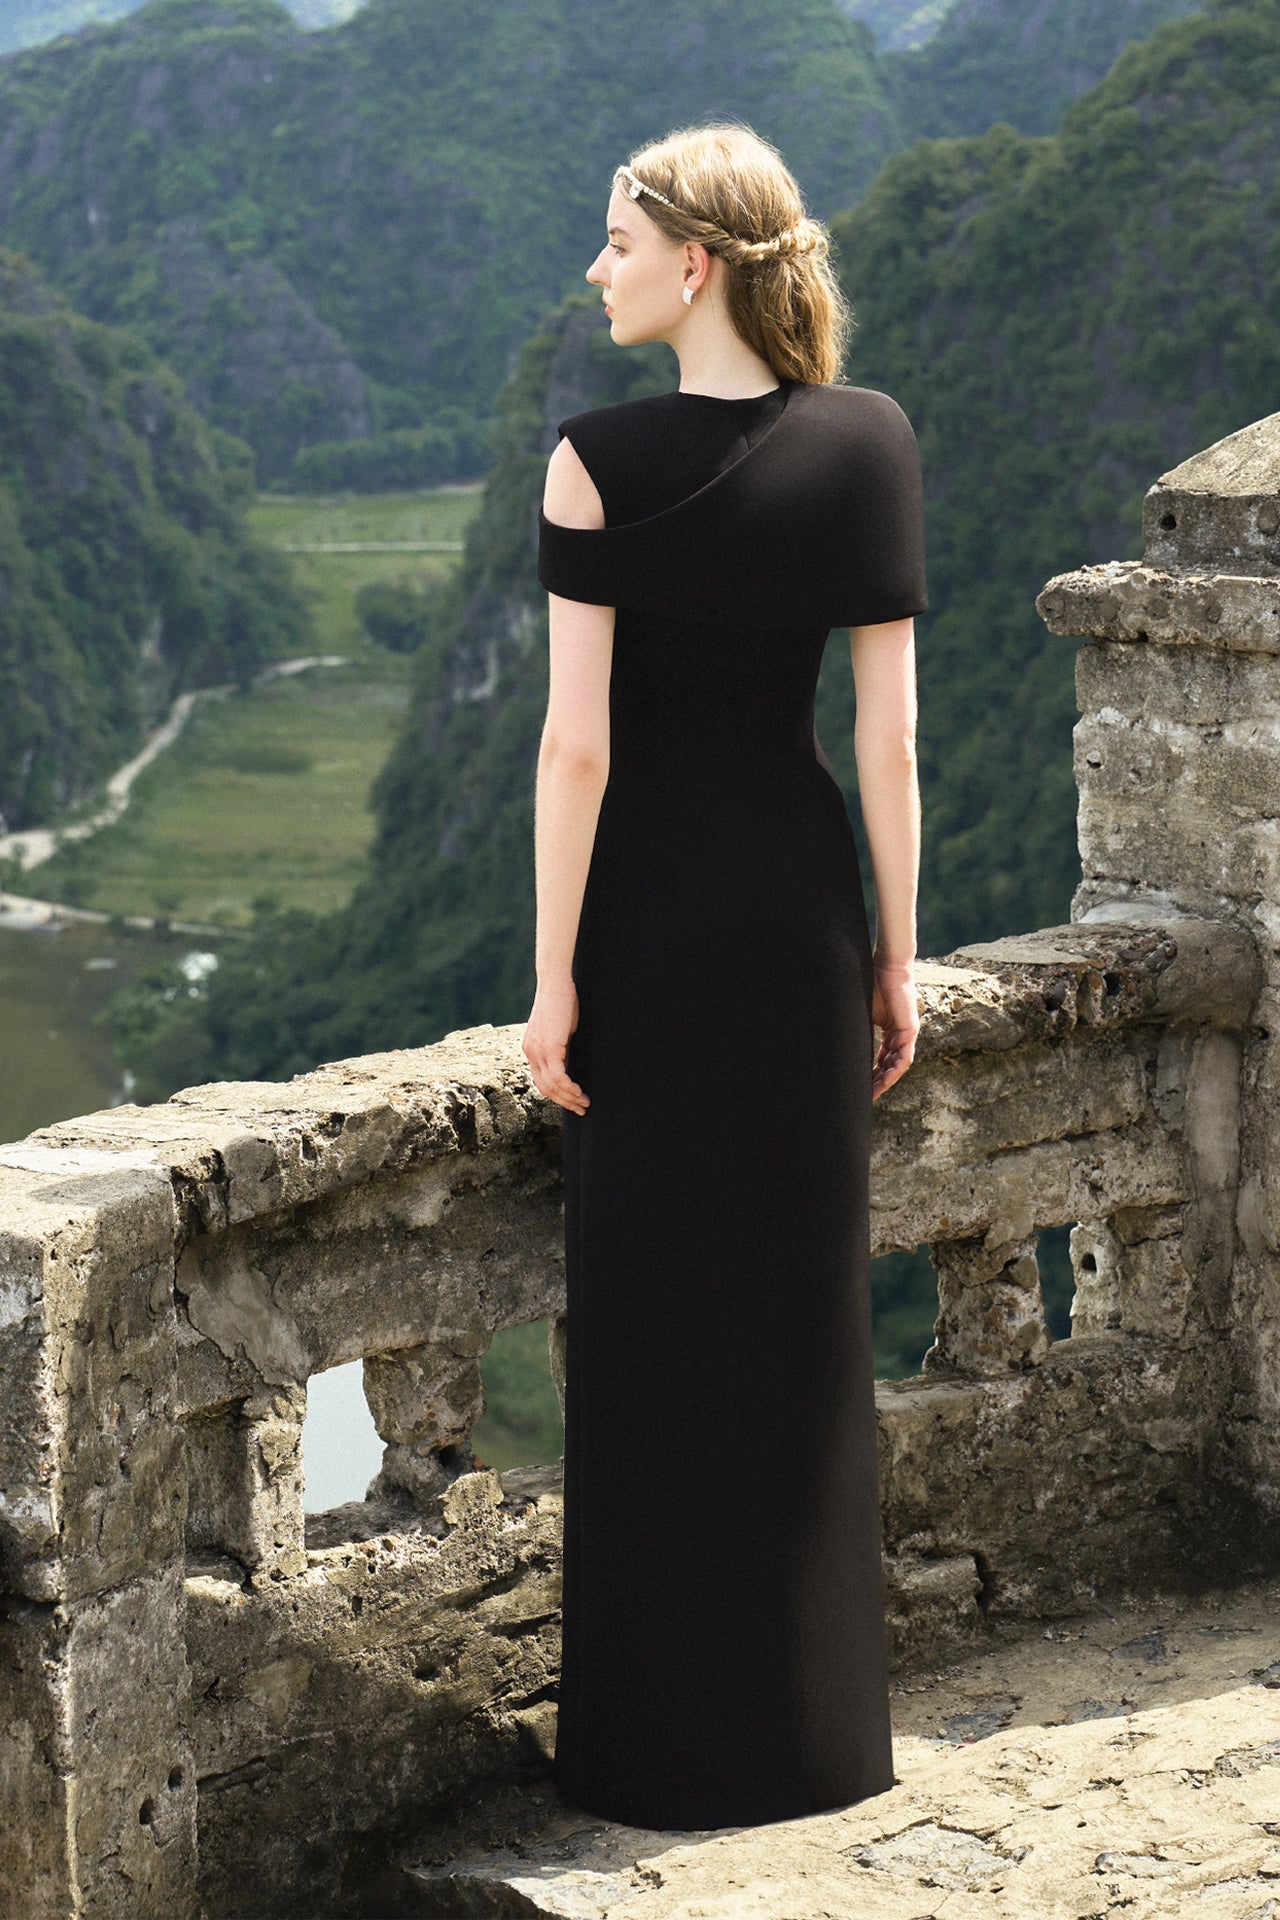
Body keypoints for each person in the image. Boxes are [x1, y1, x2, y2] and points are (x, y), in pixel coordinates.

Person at [522, 120, 926, 1833]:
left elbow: (578, 751)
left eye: (617, 240)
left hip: (653, 930)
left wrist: (551, 982)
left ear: (694, 264)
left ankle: (656, 1755)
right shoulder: (870, 440)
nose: (597, 267)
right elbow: (887, 741)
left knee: (653, 1327)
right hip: (803, 919)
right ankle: (816, 1739)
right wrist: (898, 954)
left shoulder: (594, 459)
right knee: (801, 1323)